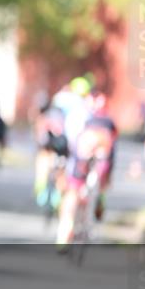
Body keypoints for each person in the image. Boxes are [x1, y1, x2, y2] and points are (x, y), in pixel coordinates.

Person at [56, 91, 118, 250]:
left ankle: (65, 231)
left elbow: (72, 144)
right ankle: (97, 200)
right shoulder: (109, 122)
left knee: (73, 190)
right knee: (98, 181)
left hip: (83, 151)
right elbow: (112, 150)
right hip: (101, 154)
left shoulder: (80, 117)